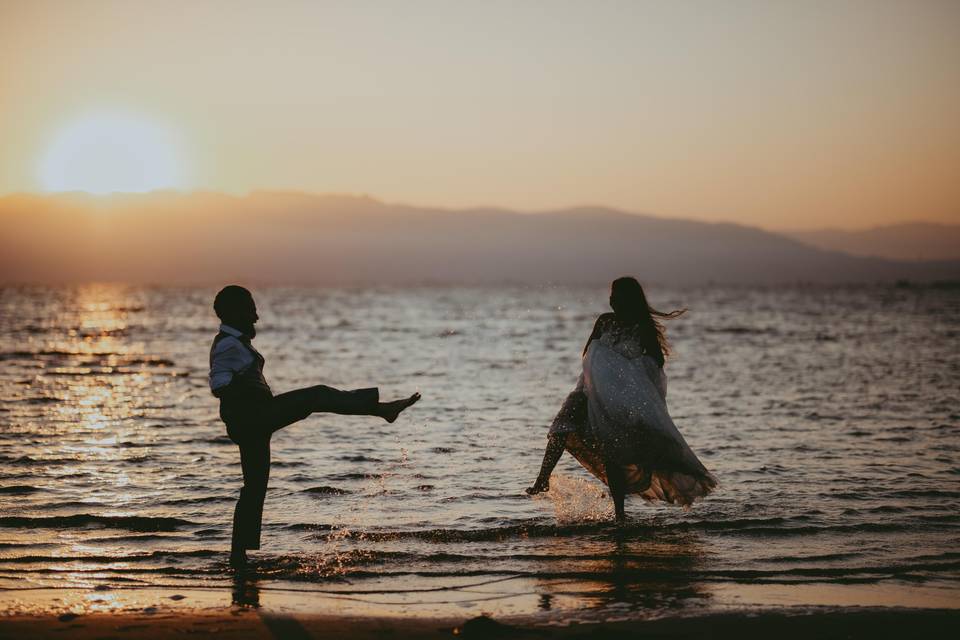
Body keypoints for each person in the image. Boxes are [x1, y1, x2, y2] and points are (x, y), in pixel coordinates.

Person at [209, 285, 420, 567]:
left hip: (252, 420)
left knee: (254, 487)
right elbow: (219, 383)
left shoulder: (236, 342)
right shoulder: (228, 344)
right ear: (235, 312)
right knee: (316, 395)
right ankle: (380, 409)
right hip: (253, 417)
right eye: (250, 309)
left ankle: (238, 556)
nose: (256, 316)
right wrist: (252, 402)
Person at [526, 277, 716, 521]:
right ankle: (542, 479)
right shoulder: (605, 321)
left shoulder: (643, 328)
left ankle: (619, 515)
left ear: (628, 299)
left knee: (613, 456)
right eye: (611, 294)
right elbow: (588, 353)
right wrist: (604, 368)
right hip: (589, 391)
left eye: (616, 294)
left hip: (621, 401)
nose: (611, 299)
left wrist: (626, 374)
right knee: (561, 426)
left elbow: (655, 363)